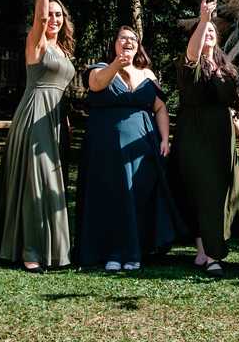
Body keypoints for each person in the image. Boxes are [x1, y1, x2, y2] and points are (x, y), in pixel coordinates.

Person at [73, 27, 185, 270]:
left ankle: (135, 251)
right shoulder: (101, 68)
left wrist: (164, 138)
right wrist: (116, 65)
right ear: (114, 43)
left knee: (138, 195)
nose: (128, 41)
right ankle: (113, 252)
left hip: (143, 146)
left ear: (139, 46)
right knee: (111, 196)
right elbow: (96, 85)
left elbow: (160, 107)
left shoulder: (147, 74)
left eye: (133, 39)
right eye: (123, 37)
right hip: (106, 148)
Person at [0, 0, 77, 273]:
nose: (54, 19)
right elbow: (40, 19)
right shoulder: (37, 43)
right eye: (51, 14)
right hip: (35, 115)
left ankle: (55, 250)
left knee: (53, 183)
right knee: (35, 181)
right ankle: (30, 251)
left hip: (56, 119)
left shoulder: (63, 49)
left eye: (59, 15)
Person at [166, 0, 239, 277]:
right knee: (205, 190)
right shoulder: (189, 65)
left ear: (219, 38)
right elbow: (192, 52)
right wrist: (203, 18)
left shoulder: (227, 69)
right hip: (195, 135)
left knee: (217, 193)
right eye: (203, 30)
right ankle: (213, 255)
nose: (208, 32)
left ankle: (202, 250)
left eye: (212, 30)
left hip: (223, 138)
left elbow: (232, 109)